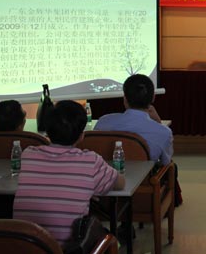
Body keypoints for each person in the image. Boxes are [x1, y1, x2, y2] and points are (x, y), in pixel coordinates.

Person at [13, 100, 124, 244]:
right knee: (111, 240)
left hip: (25, 245)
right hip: (68, 248)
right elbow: (120, 183)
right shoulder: (90, 161)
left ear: (47, 131)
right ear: (81, 135)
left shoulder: (28, 154)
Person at [95, 74, 173, 165]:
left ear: (125, 98)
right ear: (153, 97)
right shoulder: (164, 132)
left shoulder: (103, 122)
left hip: (106, 173)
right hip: (145, 174)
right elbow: (165, 162)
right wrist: (158, 124)